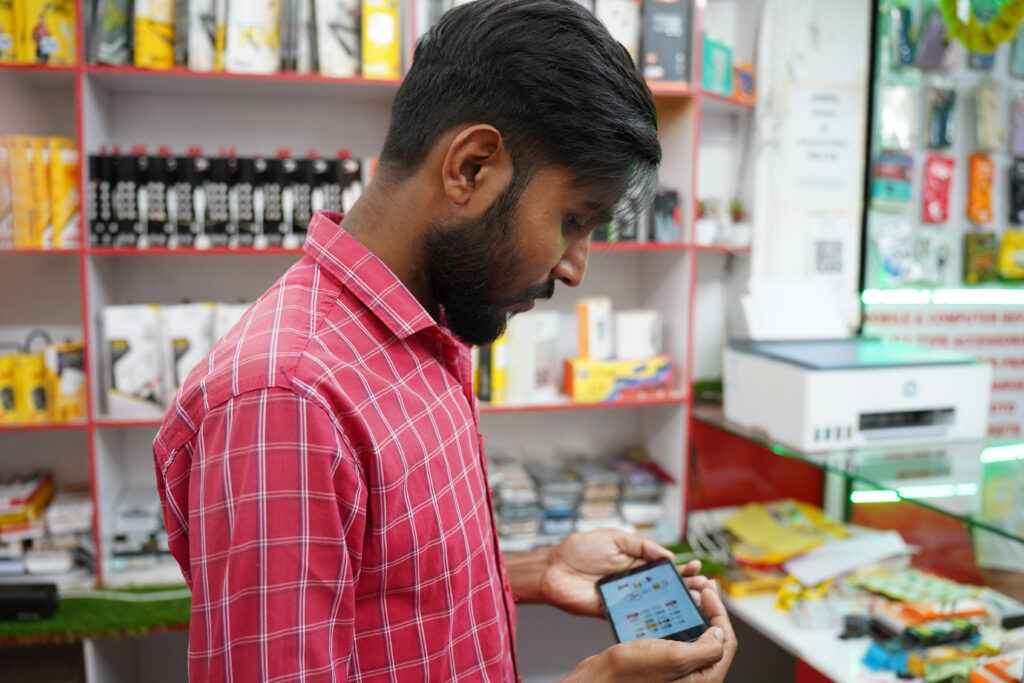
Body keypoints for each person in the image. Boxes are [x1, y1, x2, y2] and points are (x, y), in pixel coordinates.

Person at [152, 0, 737, 680]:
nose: (575, 267)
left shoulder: (426, 328)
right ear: (470, 168)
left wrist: (538, 568)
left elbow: (380, 583)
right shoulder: (284, 399)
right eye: (573, 220)